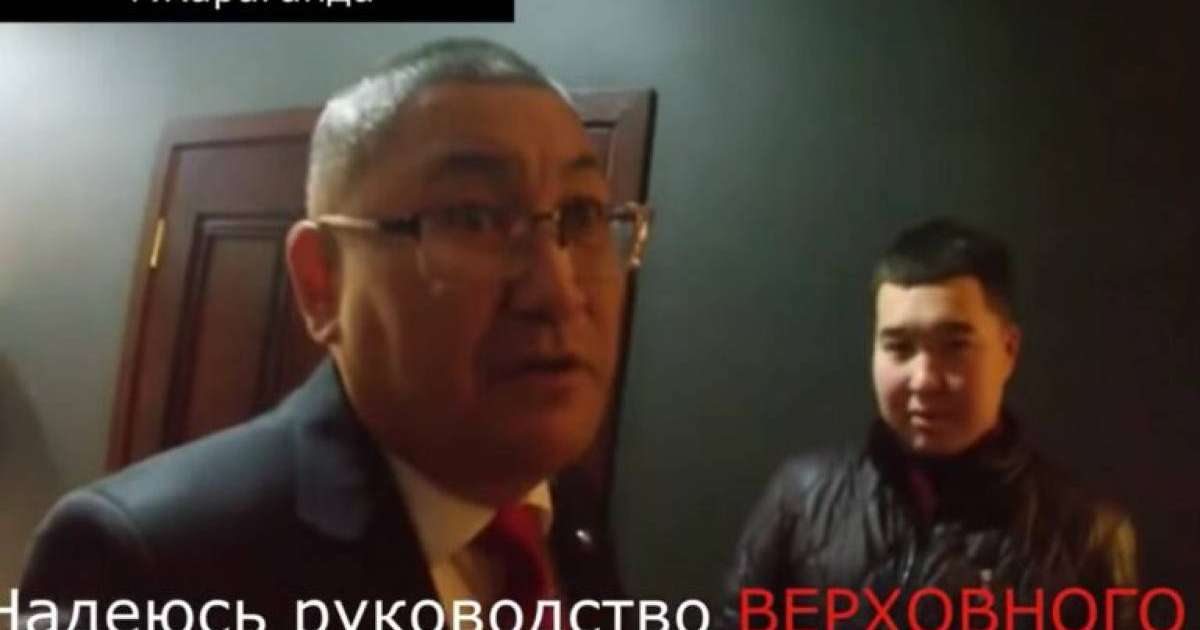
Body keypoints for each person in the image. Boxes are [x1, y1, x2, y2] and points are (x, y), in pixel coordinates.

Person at [20, 38, 652, 627]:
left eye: (582, 214)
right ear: (320, 280)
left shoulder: (563, 515)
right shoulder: (144, 565)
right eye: (471, 218)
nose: (556, 292)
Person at [717, 219, 1137, 629]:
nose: (923, 380)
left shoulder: (1089, 535)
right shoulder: (800, 502)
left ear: (1008, 350)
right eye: (899, 347)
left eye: (954, 346)